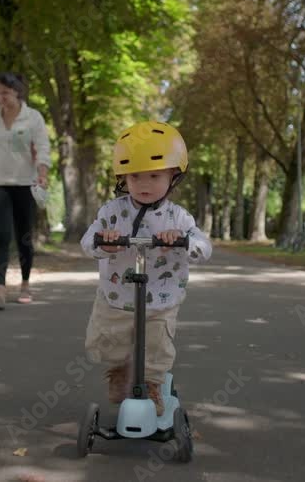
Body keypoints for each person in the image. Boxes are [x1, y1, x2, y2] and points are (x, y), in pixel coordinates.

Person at [79, 121, 212, 415]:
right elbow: (88, 241)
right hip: (116, 296)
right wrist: (105, 243)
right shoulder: (112, 212)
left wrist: (182, 240)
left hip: (161, 299)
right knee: (106, 341)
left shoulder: (178, 217)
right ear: (122, 177)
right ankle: (119, 370)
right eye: (135, 176)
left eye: (154, 176)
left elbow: (204, 249)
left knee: (156, 346)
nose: (144, 184)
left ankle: (151, 384)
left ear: (173, 176)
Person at [0, 72, 52, 310]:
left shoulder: (33, 118)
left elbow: (42, 147)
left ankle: (26, 284)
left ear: (17, 91)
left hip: (25, 184)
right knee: (2, 237)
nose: (1, 98)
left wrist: (43, 172)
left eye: (5, 93)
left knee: (24, 237)